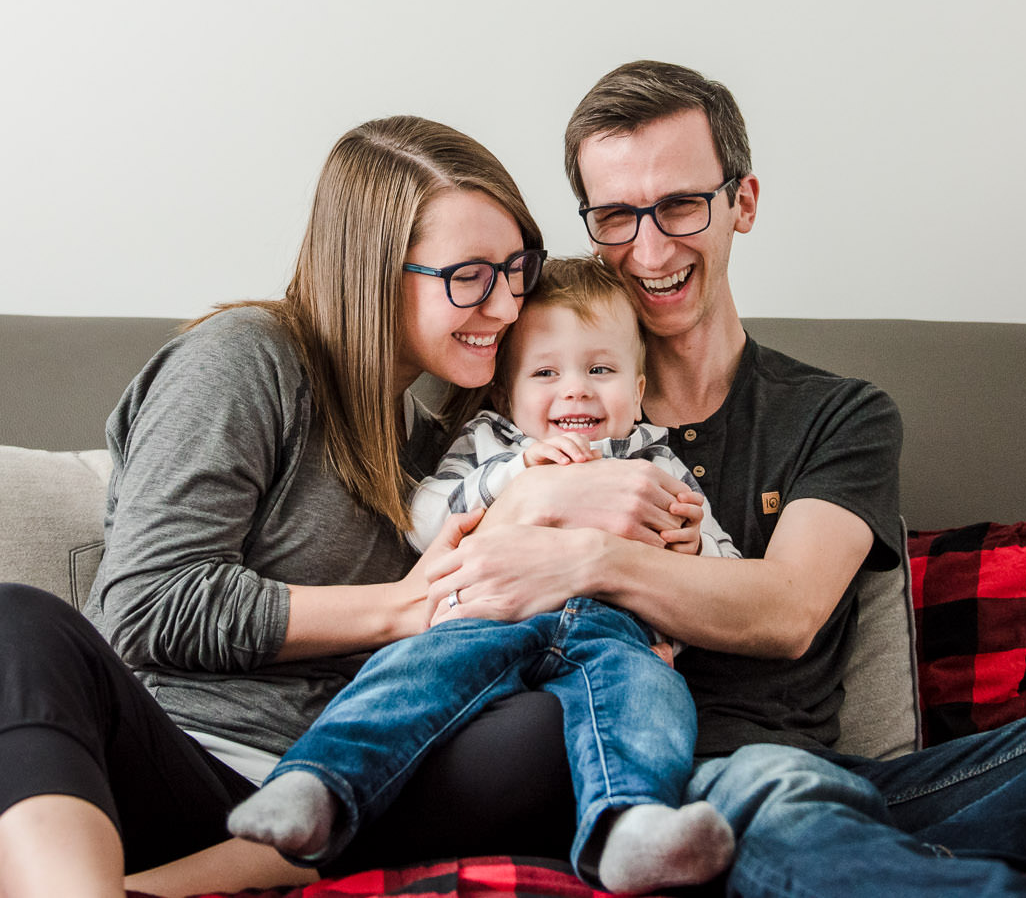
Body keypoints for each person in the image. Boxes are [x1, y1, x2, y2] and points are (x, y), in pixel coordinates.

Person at [422, 60, 1026, 898]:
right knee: (775, 794)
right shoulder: (533, 404)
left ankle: (861, 856)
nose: (649, 247)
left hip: (843, 777)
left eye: (682, 205)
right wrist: (537, 500)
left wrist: (591, 559)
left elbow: (788, 610)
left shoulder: (837, 414)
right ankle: (855, 858)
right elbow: (460, 576)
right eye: (616, 215)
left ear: (744, 202)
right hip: (663, 783)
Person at [0, 115, 614, 898]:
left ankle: (160, 890)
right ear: (371, 270)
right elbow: (145, 606)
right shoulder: (245, 359)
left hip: (344, 783)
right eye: (470, 275)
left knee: (558, 724)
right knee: (2, 621)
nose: (505, 304)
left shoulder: (445, 448)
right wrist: (397, 609)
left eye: (516, 267)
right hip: (176, 762)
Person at [228, 257, 740, 894]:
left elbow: (730, 575)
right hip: (489, 613)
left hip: (616, 636)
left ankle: (631, 826)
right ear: (507, 392)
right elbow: (421, 520)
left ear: (637, 390)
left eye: (600, 370)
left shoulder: (658, 461)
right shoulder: (491, 444)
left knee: (652, 702)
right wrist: (513, 475)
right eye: (547, 372)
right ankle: (316, 784)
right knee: (410, 673)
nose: (576, 390)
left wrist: (693, 551)